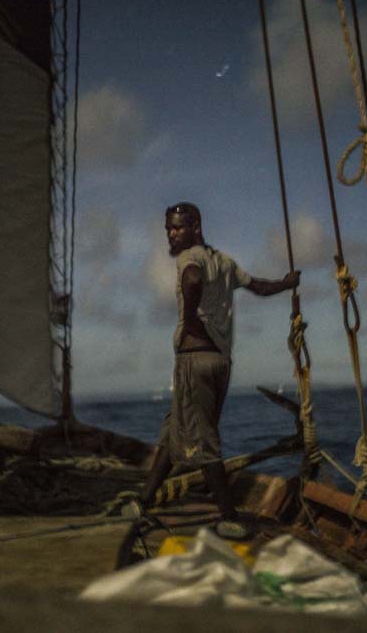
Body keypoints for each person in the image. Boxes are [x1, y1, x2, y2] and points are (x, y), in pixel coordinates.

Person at [136, 202, 299, 539]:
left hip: (193, 361)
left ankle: (228, 515)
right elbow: (259, 287)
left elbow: (192, 277)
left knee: (204, 438)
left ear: (196, 226)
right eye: (169, 228)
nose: (172, 234)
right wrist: (286, 283)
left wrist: (192, 317)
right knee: (175, 430)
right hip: (220, 362)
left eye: (178, 227)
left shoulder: (189, 258)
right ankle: (143, 501)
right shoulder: (225, 262)